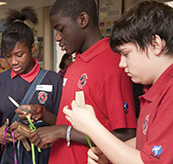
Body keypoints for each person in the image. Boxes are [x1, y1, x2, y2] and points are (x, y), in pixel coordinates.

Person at [15, 0, 137, 164]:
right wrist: (44, 115)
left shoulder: (112, 64)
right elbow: (69, 123)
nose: (57, 37)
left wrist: (64, 132)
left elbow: (127, 136)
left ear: (82, 20)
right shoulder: (74, 65)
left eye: (61, 29)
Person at [63, 1, 173, 164]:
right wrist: (109, 152)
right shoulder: (153, 90)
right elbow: (149, 142)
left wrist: (92, 127)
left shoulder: (170, 95)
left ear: (155, 44)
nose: (121, 64)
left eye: (126, 54)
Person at [0, 6, 63, 164]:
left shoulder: (53, 80)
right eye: (8, 56)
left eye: (19, 55)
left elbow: (64, 124)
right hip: (11, 158)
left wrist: (43, 116)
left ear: (32, 48)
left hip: (49, 157)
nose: (13, 62)